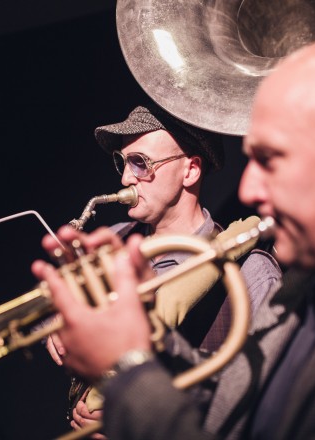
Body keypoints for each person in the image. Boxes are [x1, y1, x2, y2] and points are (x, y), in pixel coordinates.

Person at [32, 36, 315, 439]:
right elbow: (236, 403)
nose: (250, 191)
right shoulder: (307, 284)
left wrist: (130, 373)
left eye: (270, 160)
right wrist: (147, 334)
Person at [44, 104, 282, 435]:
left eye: (141, 163)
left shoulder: (250, 270)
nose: (126, 178)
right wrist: (59, 319)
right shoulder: (113, 240)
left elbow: (261, 400)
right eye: (123, 162)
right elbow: (48, 315)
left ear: (190, 171)